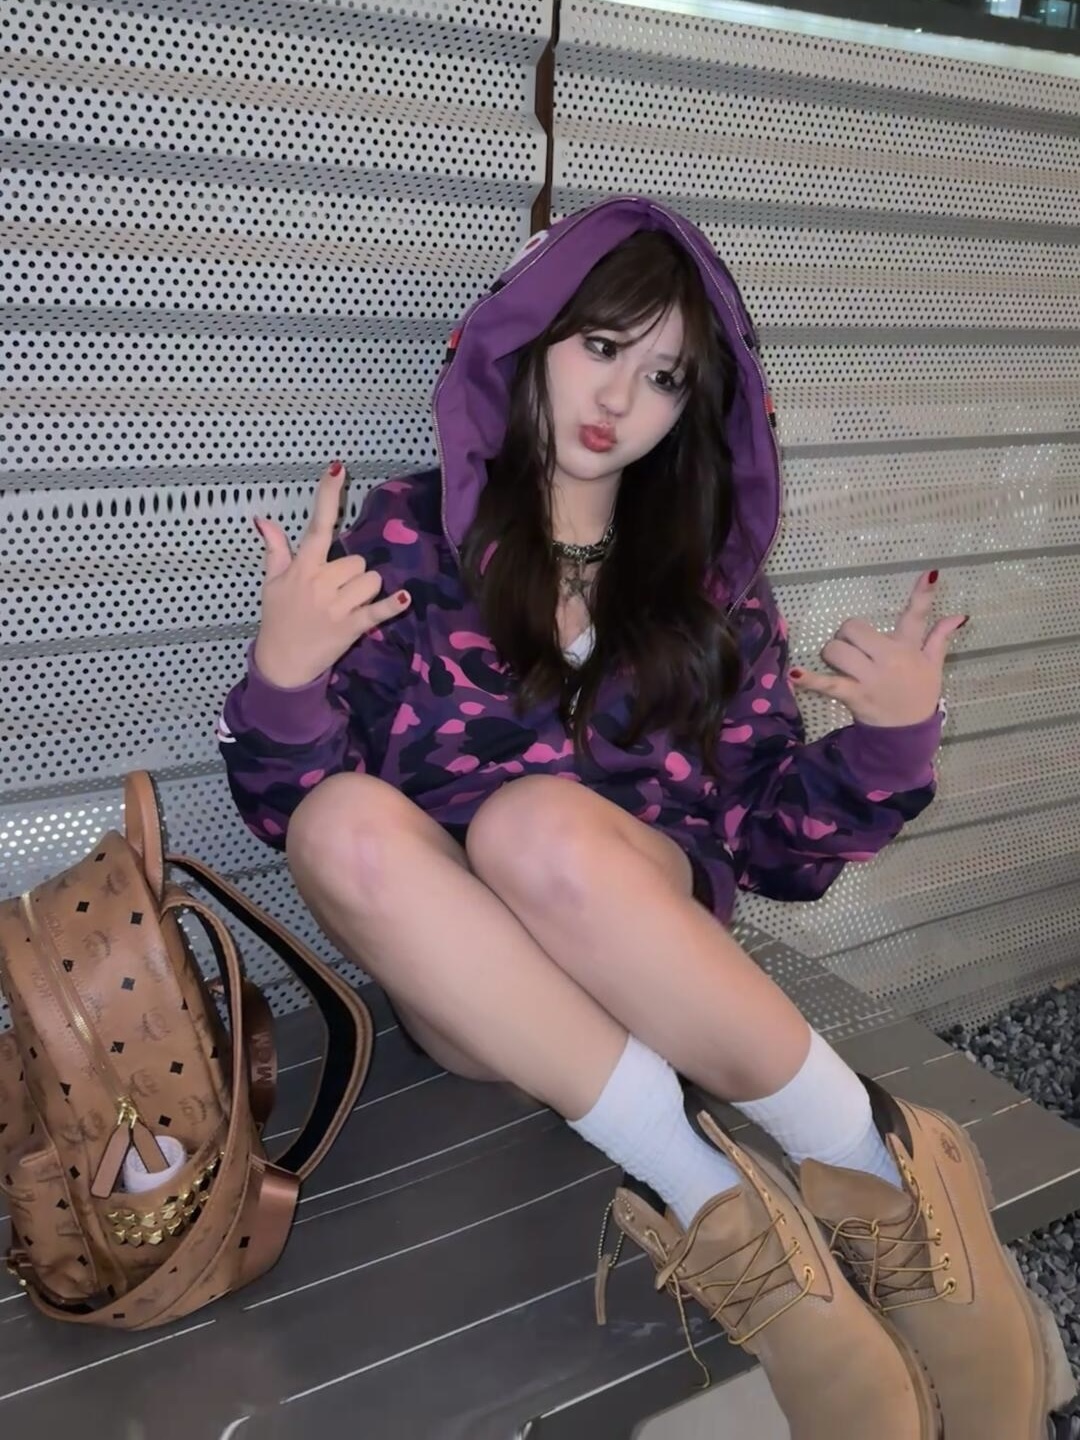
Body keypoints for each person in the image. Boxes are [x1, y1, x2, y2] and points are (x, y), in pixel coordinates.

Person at [218, 196, 1072, 1438]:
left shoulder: (708, 585)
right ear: (529, 337)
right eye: (601, 345)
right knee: (341, 823)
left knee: (536, 827)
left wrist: (890, 739)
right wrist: (287, 679)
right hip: (484, 1001)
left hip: (649, 956)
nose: (619, 398)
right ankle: (731, 1222)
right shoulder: (406, 538)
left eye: (665, 375)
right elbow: (294, 819)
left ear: (697, 405)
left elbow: (773, 847)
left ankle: (877, 1175)